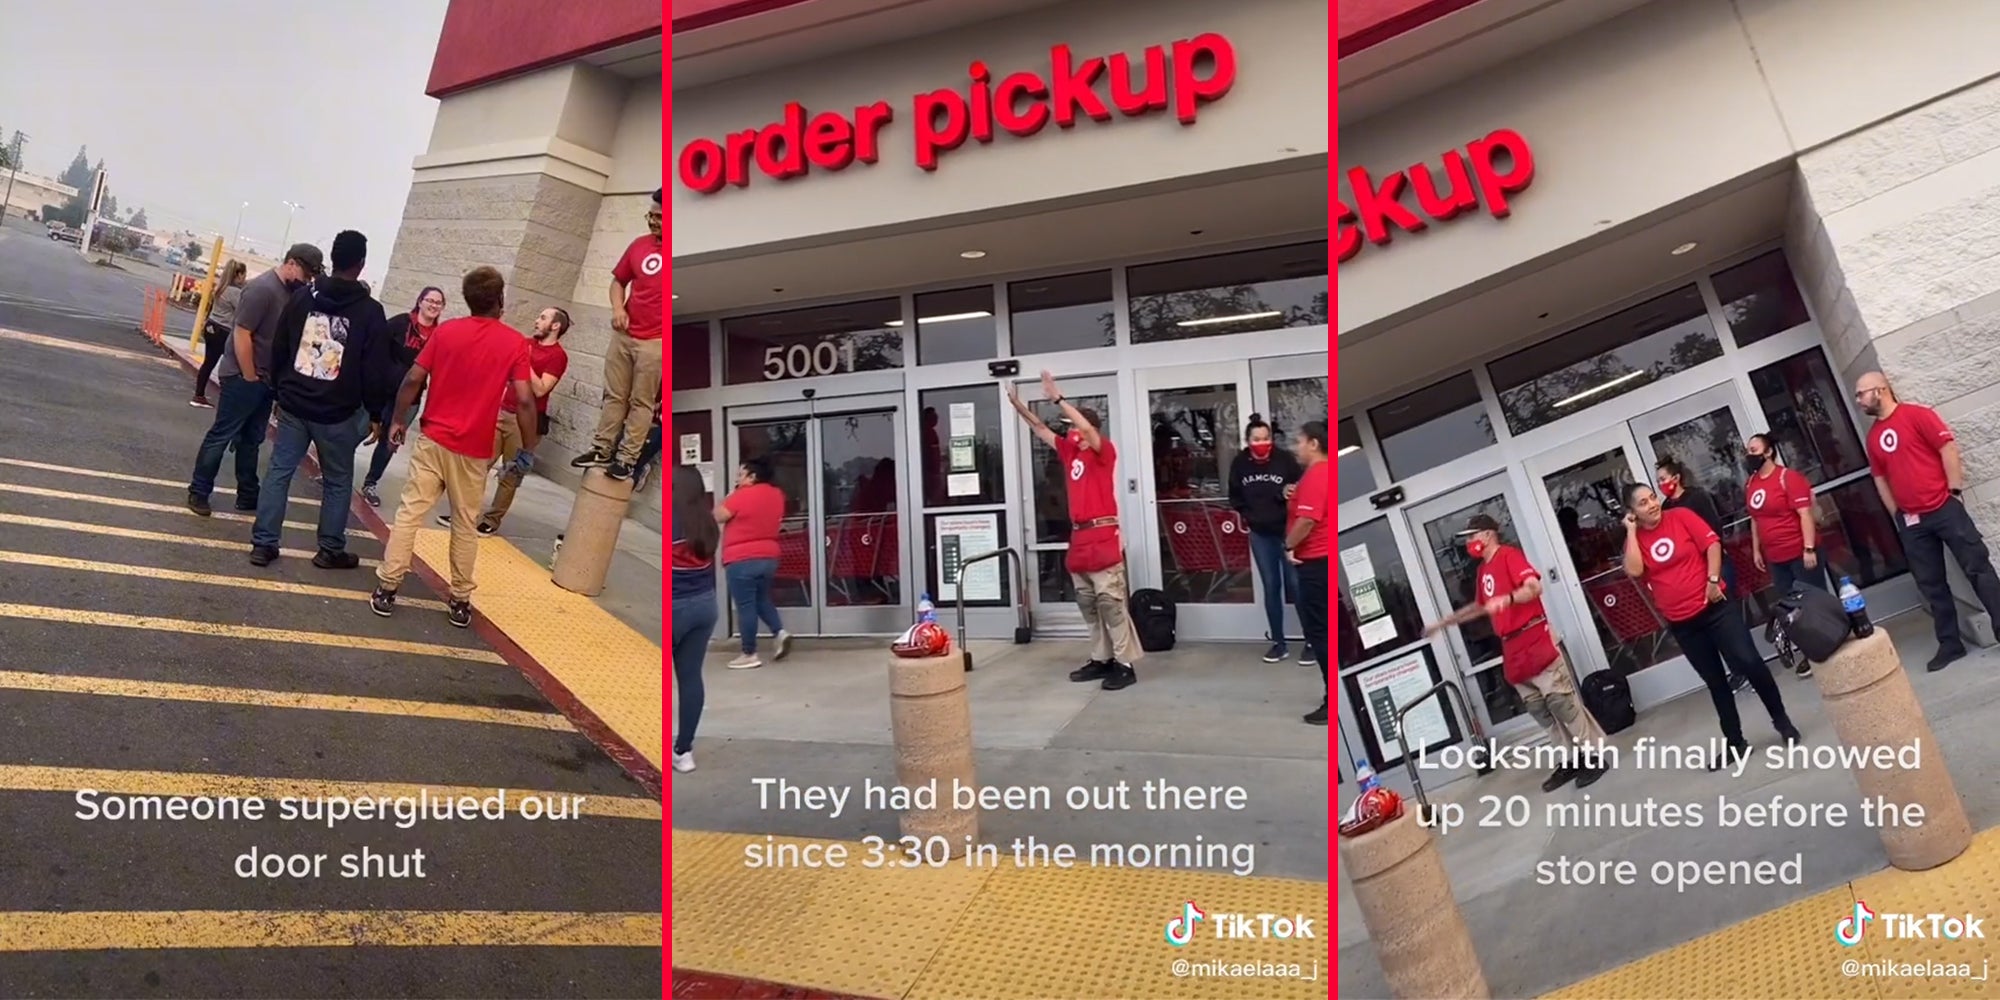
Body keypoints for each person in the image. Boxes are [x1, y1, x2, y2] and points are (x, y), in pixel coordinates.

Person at [370, 266, 538, 628]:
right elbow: (525, 401)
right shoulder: (514, 343)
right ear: (500, 299)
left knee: (409, 514)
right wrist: (528, 448)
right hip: (475, 450)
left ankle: (387, 585)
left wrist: (398, 420)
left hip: (433, 440)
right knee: (464, 523)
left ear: (467, 299)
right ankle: (460, 598)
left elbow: (414, 378)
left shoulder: (446, 332)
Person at [1622, 482, 1799, 768]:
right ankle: (1735, 742)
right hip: (1683, 624)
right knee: (1716, 682)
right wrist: (1630, 530)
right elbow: (1633, 570)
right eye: (1642, 503)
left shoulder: (1680, 516)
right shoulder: (1637, 539)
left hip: (1715, 610)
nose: (1652, 504)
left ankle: (1781, 720)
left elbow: (1712, 543)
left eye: (1652, 497)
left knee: (1750, 662)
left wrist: (1713, 580)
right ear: (1632, 512)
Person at [1425, 514, 1608, 790]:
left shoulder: (1510, 556)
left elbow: (1533, 587)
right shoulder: (1483, 572)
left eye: (1473, 536)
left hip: (1534, 636)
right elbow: (1480, 607)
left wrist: (1509, 598)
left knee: (1561, 701)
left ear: (1487, 535)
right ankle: (1569, 759)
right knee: (1539, 708)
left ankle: (1593, 755)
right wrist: (1443, 623)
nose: (1470, 542)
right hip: (1512, 647)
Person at [251, 230, 397, 569]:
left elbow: (281, 346)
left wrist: (278, 390)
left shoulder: (302, 298)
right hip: (338, 414)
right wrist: (376, 412)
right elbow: (375, 369)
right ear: (360, 265)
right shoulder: (370, 311)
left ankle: (264, 543)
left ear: (332, 259)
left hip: (295, 404)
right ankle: (330, 548)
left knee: (279, 472)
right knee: (337, 480)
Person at [1857, 371, 2000, 671]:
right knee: (1931, 583)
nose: (1859, 401)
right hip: (1912, 522)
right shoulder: (1873, 438)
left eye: (1862, 394)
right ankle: (1950, 644)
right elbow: (1880, 478)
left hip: (1944, 507)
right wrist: (1897, 512)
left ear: (1880, 390)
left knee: (1977, 568)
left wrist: (1954, 490)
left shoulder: (1917, 415)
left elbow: (1947, 448)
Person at [1006, 371, 1140, 691]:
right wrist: (1017, 406)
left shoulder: (1103, 452)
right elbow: (1039, 429)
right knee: (1089, 604)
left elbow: (1086, 430)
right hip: (1080, 538)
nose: (1072, 435)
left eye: (1076, 429)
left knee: (1112, 603)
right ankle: (1101, 658)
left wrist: (1058, 399)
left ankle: (1125, 664)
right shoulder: (1069, 454)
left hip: (1103, 535)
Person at [186, 244, 324, 517]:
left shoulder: (290, 292)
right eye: (306, 274)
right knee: (222, 435)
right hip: (243, 377)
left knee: (252, 439)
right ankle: (199, 491)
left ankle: (248, 493)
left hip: (264, 380)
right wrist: (249, 375)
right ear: (292, 263)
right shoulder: (262, 289)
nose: (308, 280)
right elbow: (241, 333)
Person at [438, 306, 571, 536]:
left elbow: (540, 389)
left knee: (510, 472)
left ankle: (491, 520)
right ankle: (464, 513)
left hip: (524, 421)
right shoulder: (526, 343)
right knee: (480, 464)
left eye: (543, 318)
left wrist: (524, 361)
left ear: (556, 326)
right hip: (500, 411)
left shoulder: (557, 356)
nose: (536, 320)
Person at [572, 187, 663, 481]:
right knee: (614, 395)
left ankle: (627, 459)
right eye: (650, 215)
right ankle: (602, 448)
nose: (653, 221)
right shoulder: (639, 245)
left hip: (656, 340)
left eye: (659, 217)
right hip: (625, 333)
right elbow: (617, 282)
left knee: (641, 401)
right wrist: (617, 309)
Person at [1656, 456, 1748, 692]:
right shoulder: (1665, 508)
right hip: (1692, 573)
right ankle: (1736, 671)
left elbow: (1712, 531)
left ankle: (1749, 666)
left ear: (1676, 478)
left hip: (1715, 565)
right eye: (1658, 481)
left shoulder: (1697, 497)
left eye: (1663, 479)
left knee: (1728, 620)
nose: (1661, 484)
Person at [1228, 414, 1304, 663]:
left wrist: (1288, 493)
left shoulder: (1285, 460)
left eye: (1266, 438)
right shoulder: (1240, 463)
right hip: (1260, 534)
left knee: (1296, 585)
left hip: (1288, 530)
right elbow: (1235, 496)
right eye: (1256, 439)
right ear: (1248, 441)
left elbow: (1303, 487)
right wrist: (1249, 516)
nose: (1262, 443)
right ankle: (1278, 643)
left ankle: (1313, 640)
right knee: (1271, 586)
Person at [360, 286, 444, 507]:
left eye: (439, 303)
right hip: (382, 393)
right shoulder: (399, 324)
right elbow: (377, 351)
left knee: (389, 443)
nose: (434, 305)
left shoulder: (441, 336)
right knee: (359, 430)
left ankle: (371, 483)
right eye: (430, 300)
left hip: (410, 401)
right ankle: (333, 472)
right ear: (420, 301)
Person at [715, 457, 791, 669]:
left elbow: (718, 516)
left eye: (741, 474)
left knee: (746, 605)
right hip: (769, 556)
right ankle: (779, 631)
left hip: (741, 558)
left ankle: (749, 653)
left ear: (752, 477)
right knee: (762, 599)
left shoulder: (741, 496)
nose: (738, 479)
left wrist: (729, 497)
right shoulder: (777, 495)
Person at [672, 464, 718, 775]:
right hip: (705, 605)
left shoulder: (673, 522)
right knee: (691, 678)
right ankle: (683, 751)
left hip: (674, 608)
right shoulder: (707, 522)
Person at [1284, 421, 1332, 725]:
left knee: (1320, 633)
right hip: (1317, 561)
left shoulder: (1318, 474)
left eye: (1299, 441)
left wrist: (1287, 545)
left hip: (1315, 562)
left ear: (1313, 443)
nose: (1295, 447)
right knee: (1322, 631)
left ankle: (1333, 699)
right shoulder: (1315, 476)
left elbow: (1307, 520)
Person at [1744, 433, 1826, 597]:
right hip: (1775, 557)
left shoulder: (1787, 477)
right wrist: (1756, 550)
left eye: (1754, 450)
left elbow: (1805, 514)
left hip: (1798, 552)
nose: (1749, 456)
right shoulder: (1751, 483)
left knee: (1815, 601)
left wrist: (1808, 549)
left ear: (1768, 452)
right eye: (1747, 452)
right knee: (1790, 604)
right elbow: (1755, 518)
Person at [192, 260, 247, 407]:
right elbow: (243, 311)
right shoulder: (235, 293)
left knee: (208, 363)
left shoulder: (220, 288)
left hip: (211, 326)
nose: (244, 278)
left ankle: (198, 395)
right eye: (244, 275)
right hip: (224, 330)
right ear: (239, 275)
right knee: (235, 365)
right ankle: (230, 400)